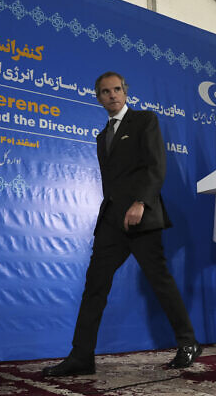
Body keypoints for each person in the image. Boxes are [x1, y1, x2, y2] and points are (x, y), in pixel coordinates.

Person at [42, 71, 201, 376]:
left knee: (160, 281)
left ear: (125, 93)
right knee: (94, 287)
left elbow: (156, 166)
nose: (112, 95)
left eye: (117, 89)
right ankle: (81, 357)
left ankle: (188, 343)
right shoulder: (102, 137)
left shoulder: (145, 121)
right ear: (98, 97)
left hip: (141, 217)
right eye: (105, 91)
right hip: (111, 223)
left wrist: (141, 202)